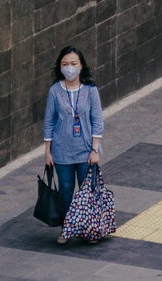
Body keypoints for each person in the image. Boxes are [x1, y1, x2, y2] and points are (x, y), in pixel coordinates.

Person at [42, 45, 103, 245]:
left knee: (87, 191)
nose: (69, 68)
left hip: (86, 150)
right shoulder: (55, 91)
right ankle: (67, 228)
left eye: (73, 63)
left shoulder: (90, 90)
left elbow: (97, 120)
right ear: (60, 67)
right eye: (65, 64)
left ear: (81, 66)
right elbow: (49, 122)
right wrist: (47, 152)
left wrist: (95, 149)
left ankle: (88, 229)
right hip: (62, 151)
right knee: (66, 191)